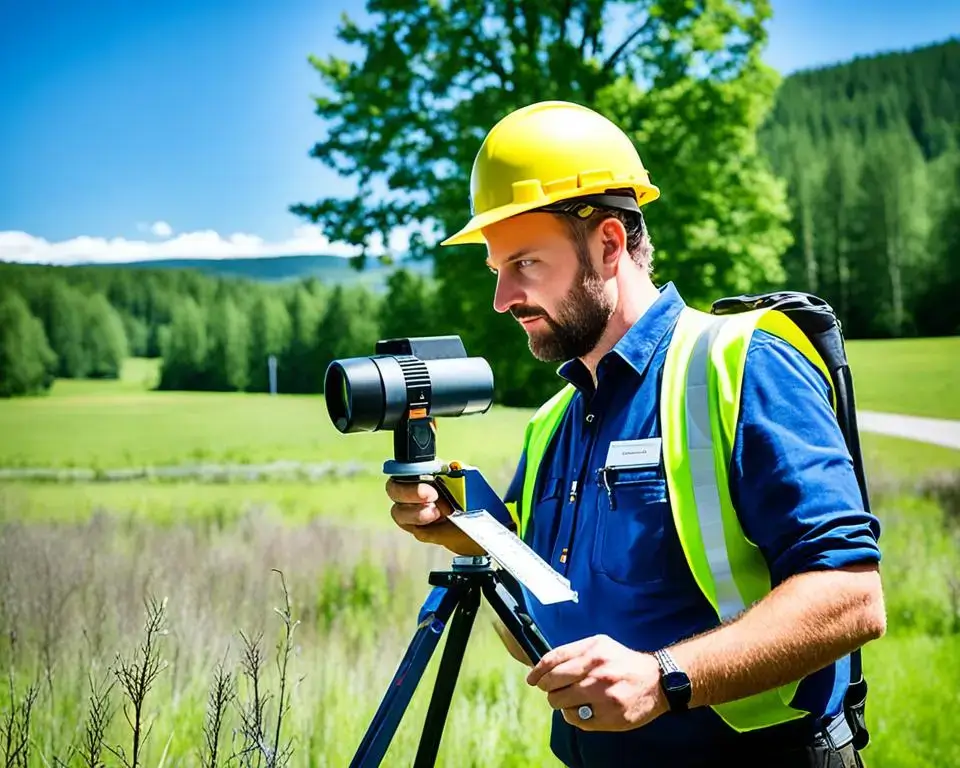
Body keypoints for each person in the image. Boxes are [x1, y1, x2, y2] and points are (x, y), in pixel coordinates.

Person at [386, 100, 885, 768]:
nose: (503, 299)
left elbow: (851, 598)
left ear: (610, 243)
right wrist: (478, 536)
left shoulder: (742, 362)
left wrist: (664, 678)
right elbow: (543, 632)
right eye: (497, 270)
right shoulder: (551, 425)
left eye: (526, 264)